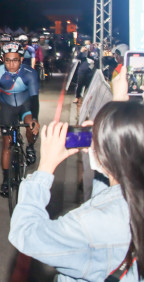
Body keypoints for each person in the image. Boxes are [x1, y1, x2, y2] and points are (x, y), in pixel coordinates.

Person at [9, 72, 143, 280]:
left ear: (107, 153)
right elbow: (106, 191)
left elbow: (25, 233)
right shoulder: (130, 199)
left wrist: (45, 166)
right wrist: (113, 118)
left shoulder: (90, 223)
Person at [0, 42, 40, 197]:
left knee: (30, 124)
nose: (11, 64)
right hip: (7, 107)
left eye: (15, 60)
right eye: (8, 60)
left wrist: (35, 119)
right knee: (6, 144)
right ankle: (5, 180)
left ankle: (30, 146)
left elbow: (34, 98)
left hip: (25, 105)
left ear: (21, 59)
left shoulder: (30, 73)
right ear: (3, 59)